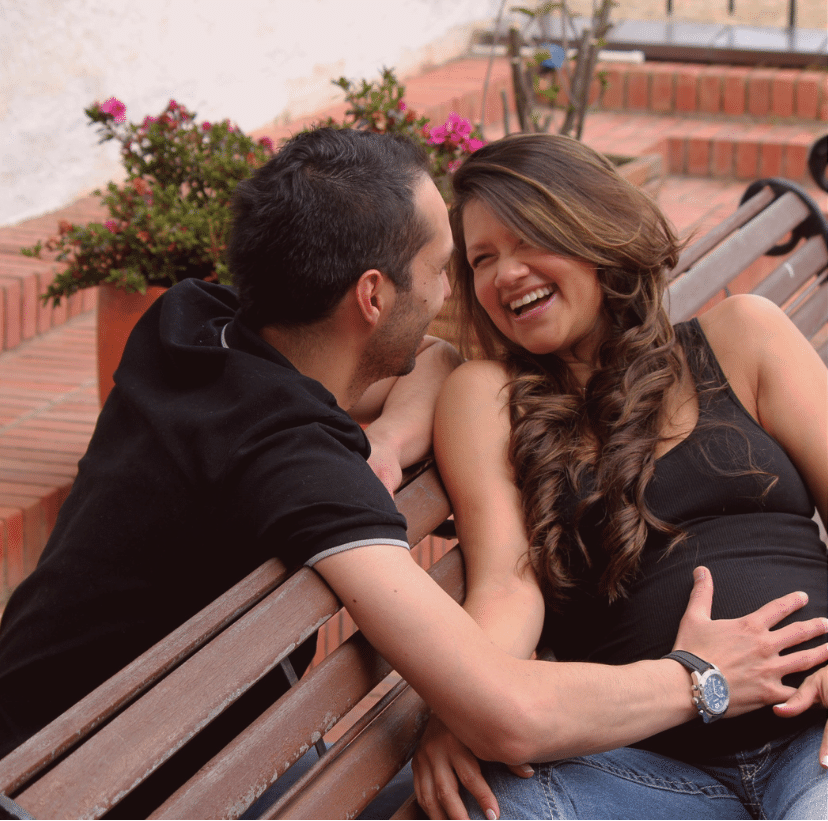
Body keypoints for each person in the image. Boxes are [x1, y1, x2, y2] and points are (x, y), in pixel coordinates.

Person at [0, 127, 824, 817]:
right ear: (369, 295)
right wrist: (703, 679)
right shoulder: (304, 462)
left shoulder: (188, 321)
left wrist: (390, 436)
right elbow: (505, 625)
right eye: (457, 265)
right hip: (83, 785)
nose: (470, 290)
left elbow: (426, 355)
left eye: (525, 242)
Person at [411, 132, 828, 820]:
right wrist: (465, 702)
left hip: (811, 735)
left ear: (594, 231)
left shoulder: (742, 335)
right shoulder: (487, 396)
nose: (504, 274)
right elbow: (506, 585)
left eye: (527, 240)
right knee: (491, 806)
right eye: (482, 259)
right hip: (649, 769)